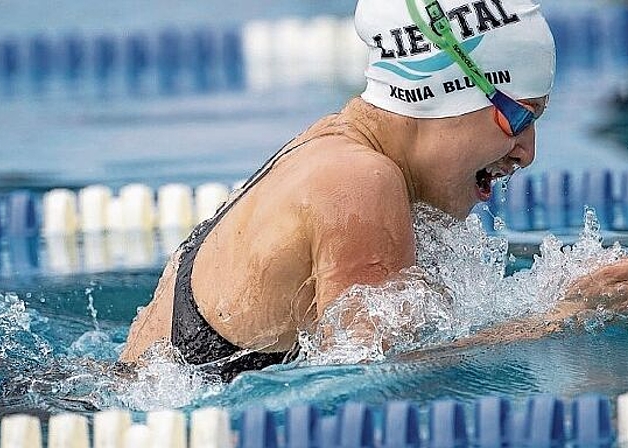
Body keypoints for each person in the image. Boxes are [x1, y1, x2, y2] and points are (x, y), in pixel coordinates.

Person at [119, 0, 592, 381]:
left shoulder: (326, 147)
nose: (526, 152)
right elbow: (375, 381)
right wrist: (565, 314)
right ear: (448, 90)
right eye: (520, 118)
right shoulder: (360, 182)